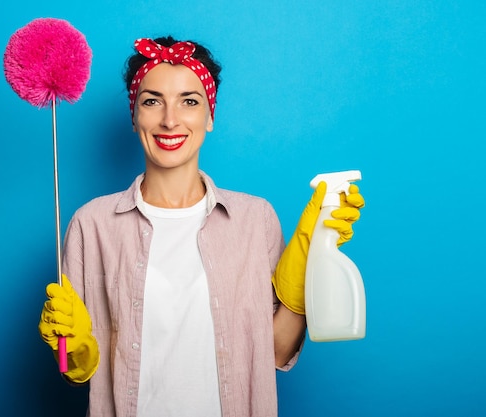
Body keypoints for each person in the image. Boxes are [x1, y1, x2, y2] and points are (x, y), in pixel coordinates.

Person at [38, 36, 365, 416]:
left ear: (210, 116)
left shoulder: (254, 219)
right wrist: (77, 353)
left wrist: (310, 254)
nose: (170, 119)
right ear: (134, 117)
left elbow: (276, 351)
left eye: (189, 101)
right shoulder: (91, 224)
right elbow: (75, 370)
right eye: (151, 100)